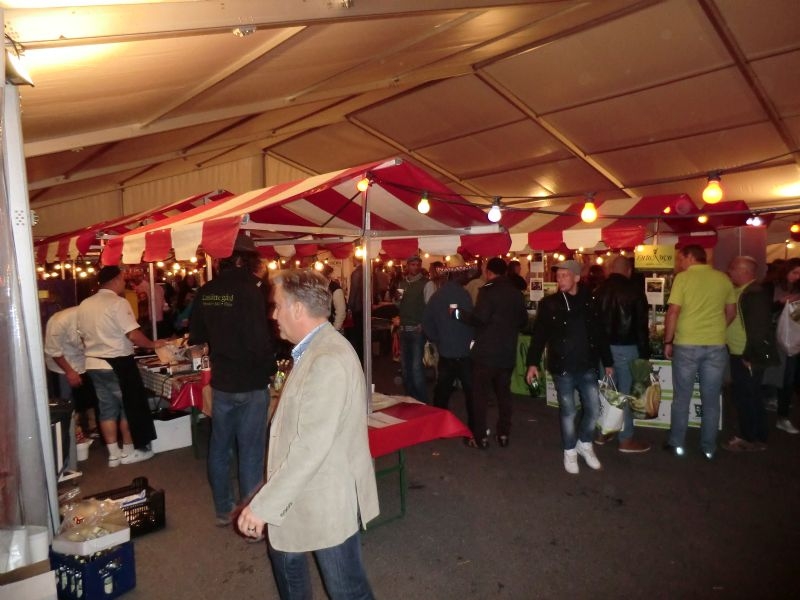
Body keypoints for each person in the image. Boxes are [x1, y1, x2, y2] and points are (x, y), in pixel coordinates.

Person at [236, 269, 379, 599]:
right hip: (304, 492)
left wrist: (262, 506)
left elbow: (311, 448)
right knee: (289, 566)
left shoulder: (327, 359)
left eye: (277, 306)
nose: (273, 315)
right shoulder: (316, 350)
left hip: (326, 499)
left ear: (298, 308)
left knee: (347, 590)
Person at [189, 232, 277, 527]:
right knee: (250, 452)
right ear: (243, 259)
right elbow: (259, 340)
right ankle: (249, 518)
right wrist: (270, 369)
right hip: (251, 382)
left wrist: (208, 374)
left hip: (223, 382)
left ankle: (223, 509)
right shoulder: (251, 291)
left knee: (220, 447)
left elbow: (197, 339)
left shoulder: (207, 291)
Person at [526, 260, 613, 474]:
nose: (560, 279)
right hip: (563, 366)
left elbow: (600, 333)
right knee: (568, 412)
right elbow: (539, 336)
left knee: (594, 409)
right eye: (558, 276)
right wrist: (532, 363)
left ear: (576, 277)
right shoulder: (550, 304)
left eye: (565, 275)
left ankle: (585, 443)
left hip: (587, 365)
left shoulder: (590, 301)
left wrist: (608, 361)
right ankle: (569, 450)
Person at [77, 266, 164, 467]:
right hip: (116, 362)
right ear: (116, 279)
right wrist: (152, 344)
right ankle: (128, 451)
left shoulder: (85, 304)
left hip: (92, 362)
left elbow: (81, 335)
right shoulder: (118, 303)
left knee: (106, 409)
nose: (124, 283)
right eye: (123, 279)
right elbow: (132, 334)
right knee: (128, 407)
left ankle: (113, 455)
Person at [663, 245, 736, 460]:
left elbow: (673, 311)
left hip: (686, 344)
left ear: (690, 257)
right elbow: (731, 311)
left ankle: (677, 443)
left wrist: (668, 340)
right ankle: (708, 447)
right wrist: (718, 328)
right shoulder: (723, 278)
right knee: (711, 399)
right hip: (716, 345)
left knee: (682, 398)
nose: (679, 263)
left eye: (681, 258)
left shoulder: (683, 278)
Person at [458, 257, 528, 448]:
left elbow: (479, 318)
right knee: (504, 395)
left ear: (488, 272)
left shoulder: (487, 291)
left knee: (480, 396)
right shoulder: (516, 293)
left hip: (486, 353)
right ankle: (503, 433)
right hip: (507, 352)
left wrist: (458, 314)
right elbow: (523, 321)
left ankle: (480, 437)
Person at [592, 255, 651, 453]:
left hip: (604, 350)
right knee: (626, 394)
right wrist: (644, 354)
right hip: (627, 347)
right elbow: (641, 326)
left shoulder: (598, 291)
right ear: (628, 270)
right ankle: (626, 440)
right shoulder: (635, 291)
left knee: (607, 392)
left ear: (610, 270)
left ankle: (603, 432)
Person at [723, 256, 778, 452]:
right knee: (745, 396)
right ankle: (754, 436)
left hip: (746, 354)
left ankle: (751, 439)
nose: (730, 272)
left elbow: (759, 329)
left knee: (748, 397)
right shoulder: (744, 291)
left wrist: (750, 356)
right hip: (739, 352)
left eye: (733, 268)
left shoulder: (755, 293)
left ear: (744, 271)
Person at [422, 260, 476, 435]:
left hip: (446, 350)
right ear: (457, 275)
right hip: (464, 351)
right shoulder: (464, 295)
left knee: (442, 389)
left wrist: (437, 339)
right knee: (471, 391)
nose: (467, 276)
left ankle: (438, 424)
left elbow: (427, 322)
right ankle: (474, 427)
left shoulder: (437, 296)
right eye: (464, 273)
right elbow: (472, 321)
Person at [44, 306, 98, 441]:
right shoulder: (60, 321)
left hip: (83, 361)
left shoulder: (93, 318)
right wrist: (69, 372)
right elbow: (54, 352)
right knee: (67, 401)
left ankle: (91, 428)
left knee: (89, 397)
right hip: (61, 365)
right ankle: (70, 432)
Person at [762, 258, 800, 434]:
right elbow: (765, 311)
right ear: (786, 271)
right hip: (774, 338)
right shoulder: (771, 286)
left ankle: (782, 415)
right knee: (772, 372)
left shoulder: (797, 288)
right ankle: (770, 401)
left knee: (788, 378)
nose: (797, 277)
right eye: (794, 272)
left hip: (793, 338)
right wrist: (781, 303)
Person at [396, 255, 429, 403]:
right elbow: (398, 303)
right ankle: (411, 399)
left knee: (416, 368)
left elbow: (430, 306)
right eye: (413, 264)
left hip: (416, 330)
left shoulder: (426, 283)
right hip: (403, 329)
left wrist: (424, 324)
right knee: (405, 368)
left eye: (417, 264)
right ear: (407, 266)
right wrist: (397, 300)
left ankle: (422, 401)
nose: (415, 267)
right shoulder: (402, 283)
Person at [347, 257, 365, 362]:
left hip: (357, 307)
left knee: (357, 334)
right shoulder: (366, 271)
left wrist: (349, 307)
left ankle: (358, 358)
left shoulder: (356, 273)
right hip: (364, 306)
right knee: (362, 334)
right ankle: (363, 357)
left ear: (355, 260)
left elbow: (353, 291)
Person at [322, 264, 347, 332]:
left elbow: (341, 312)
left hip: (331, 327)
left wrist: (334, 329)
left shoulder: (335, 289)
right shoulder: (318, 287)